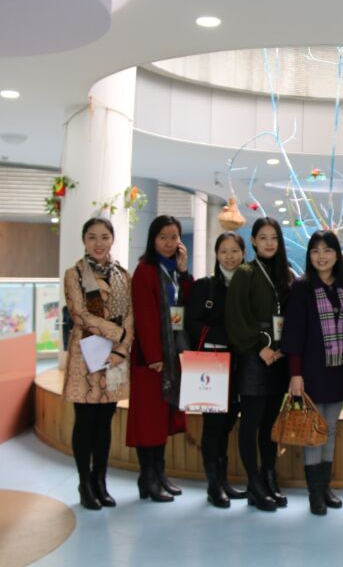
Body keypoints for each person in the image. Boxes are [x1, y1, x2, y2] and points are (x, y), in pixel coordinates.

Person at [280, 230, 343, 515]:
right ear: (309, 255)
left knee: (330, 430)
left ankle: (325, 487)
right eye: (315, 251)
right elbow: (293, 333)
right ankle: (314, 494)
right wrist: (295, 373)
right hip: (310, 371)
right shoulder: (302, 288)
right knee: (313, 431)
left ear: (337, 255)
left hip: (338, 371)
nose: (321, 256)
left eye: (328, 250)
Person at [62, 217, 133, 510]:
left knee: (105, 422)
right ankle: (84, 483)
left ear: (112, 239)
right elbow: (79, 314)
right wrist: (118, 334)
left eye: (104, 236)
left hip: (114, 358)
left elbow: (130, 315)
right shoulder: (74, 274)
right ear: (84, 240)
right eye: (92, 237)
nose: (99, 243)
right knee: (85, 421)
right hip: (86, 356)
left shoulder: (123, 275)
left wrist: (122, 351)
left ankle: (100, 480)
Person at [226, 217, 293, 511]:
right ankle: (254, 483)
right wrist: (259, 347)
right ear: (252, 241)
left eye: (274, 237)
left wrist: (283, 348)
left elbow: (293, 315)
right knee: (251, 422)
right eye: (263, 237)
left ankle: (269, 477)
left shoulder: (286, 274)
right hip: (255, 357)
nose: (268, 243)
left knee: (269, 424)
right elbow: (235, 315)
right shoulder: (245, 272)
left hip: (278, 358)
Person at [126, 215, 191, 503]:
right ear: (153, 240)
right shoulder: (145, 270)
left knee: (162, 418)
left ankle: (159, 475)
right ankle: (148, 478)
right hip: (151, 360)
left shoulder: (174, 271)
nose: (168, 242)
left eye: (173, 237)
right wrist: (154, 356)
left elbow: (186, 306)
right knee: (149, 421)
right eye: (162, 237)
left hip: (171, 357)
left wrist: (184, 272)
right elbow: (144, 317)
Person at [185, 231, 248, 508]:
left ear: (243, 253)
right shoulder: (206, 286)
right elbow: (192, 323)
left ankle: (223, 481)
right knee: (213, 426)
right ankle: (214, 485)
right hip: (212, 366)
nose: (229, 256)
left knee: (228, 423)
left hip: (241, 365)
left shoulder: (248, 285)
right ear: (216, 254)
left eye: (234, 251)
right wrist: (228, 336)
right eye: (224, 251)